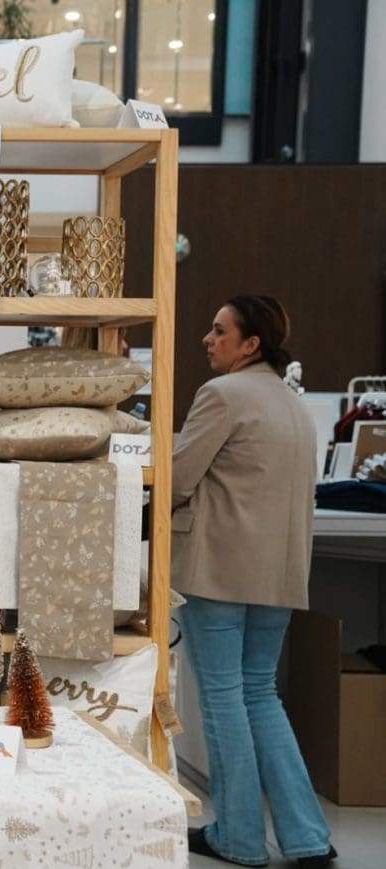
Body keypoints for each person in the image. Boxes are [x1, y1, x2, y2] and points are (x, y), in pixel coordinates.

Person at [172, 296, 335, 867]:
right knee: (261, 694)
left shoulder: (222, 395)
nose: (207, 338)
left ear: (251, 344)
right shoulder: (295, 405)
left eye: (219, 331)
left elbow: (178, 479)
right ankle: (307, 837)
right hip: (278, 573)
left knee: (223, 700)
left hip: (217, 568)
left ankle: (239, 838)